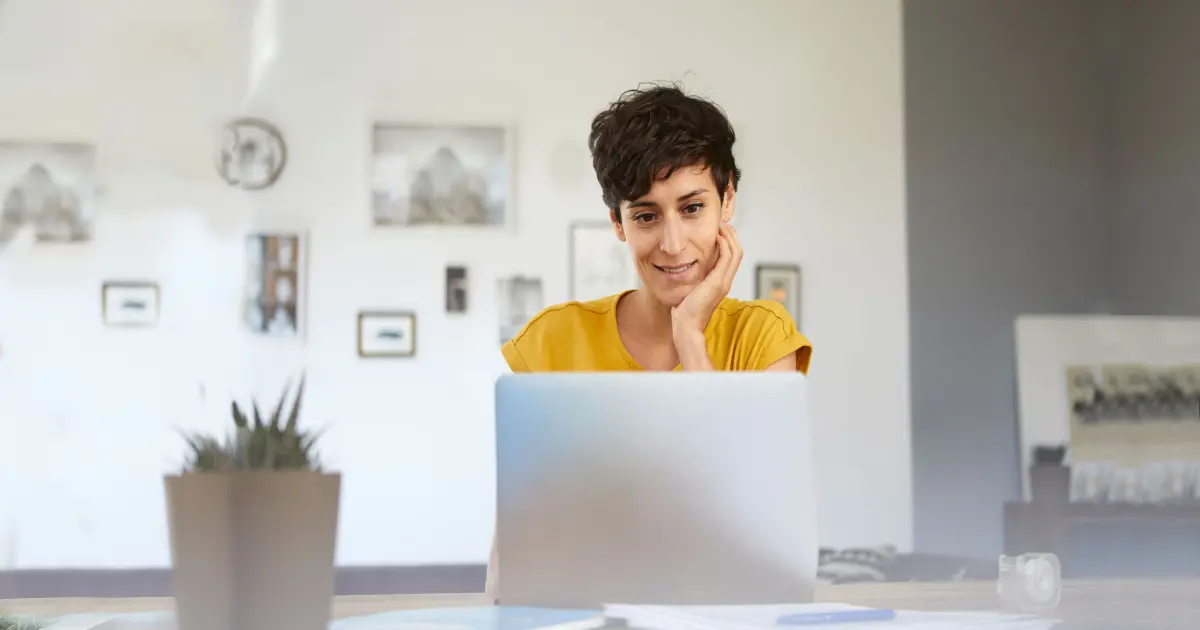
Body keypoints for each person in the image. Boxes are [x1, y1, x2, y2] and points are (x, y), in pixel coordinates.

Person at [485, 83, 813, 598]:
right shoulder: (552, 340)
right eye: (646, 215)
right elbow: (512, 556)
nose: (672, 243)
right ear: (617, 222)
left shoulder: (763, 339)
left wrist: (690, 336)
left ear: (727, 203)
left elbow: (753, 524)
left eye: (691, 207)